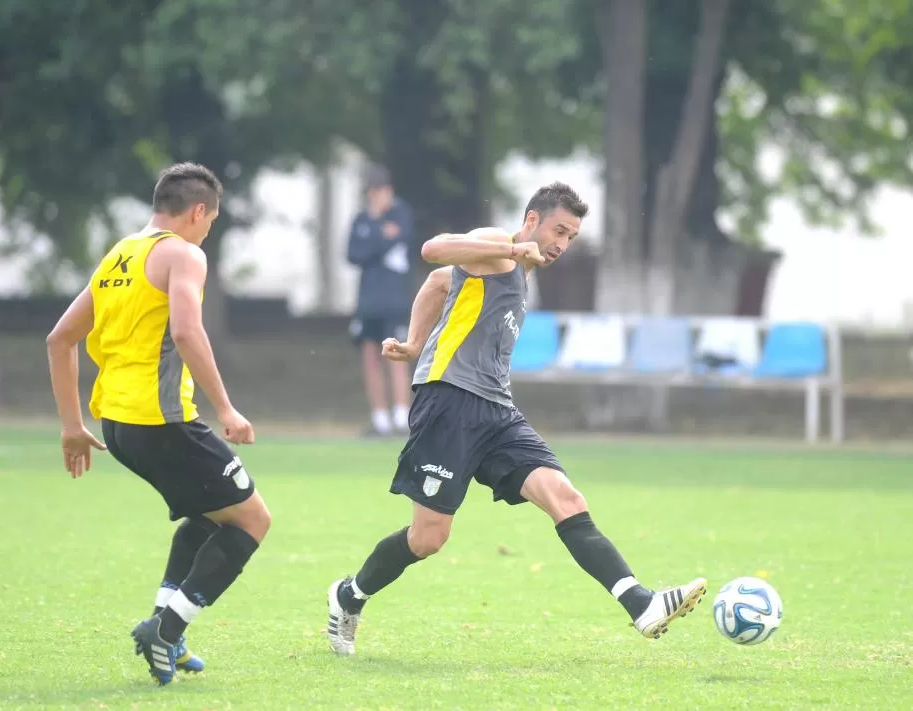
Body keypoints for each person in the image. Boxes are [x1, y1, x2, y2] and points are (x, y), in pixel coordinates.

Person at [327, 182, 706, 656]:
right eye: (558, 231)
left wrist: (414, 341)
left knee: (565, 497)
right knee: (428, 539)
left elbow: (438, 284)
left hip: (497, 411)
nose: (562, 245)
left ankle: (642, 604)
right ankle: (348, 596)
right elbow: (431, 252)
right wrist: (504, 249)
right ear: (532, 219)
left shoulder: (517, 272)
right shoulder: (500, 248)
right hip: (448, 402)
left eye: (571, 237)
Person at [46, 162, 271, 685]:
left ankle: (166, 625)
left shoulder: (119, 255)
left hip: (117, 426)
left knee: (212, 516)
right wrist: (227, 409)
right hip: (163, 421)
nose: (207, 232)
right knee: (254, 521)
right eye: (210, 222)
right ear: (198, 212)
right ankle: (166, 632)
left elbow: (59, 339)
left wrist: (70, 425)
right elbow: (189, 333)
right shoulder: (184, 254)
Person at [346, 164, 416, 436]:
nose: (375, 197)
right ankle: (380, 419)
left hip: (394, 299)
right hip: (368, 299)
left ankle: (401, 418)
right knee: (369, 357)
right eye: (371, 192)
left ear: (389, 191)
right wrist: (378, 230)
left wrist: (373, 239)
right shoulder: (362, 219)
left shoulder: (402, 214)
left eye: (379, 191)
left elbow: (395, 243)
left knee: (395, 357)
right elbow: (353, 254)